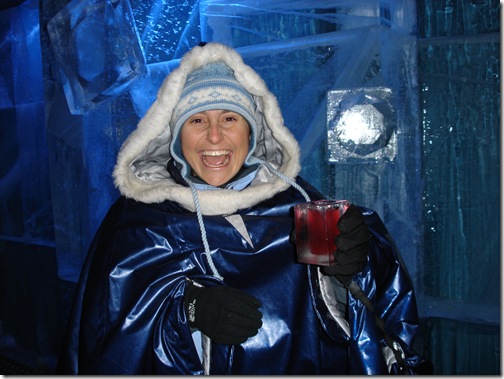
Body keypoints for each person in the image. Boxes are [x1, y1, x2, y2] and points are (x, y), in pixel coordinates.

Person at [56, 42, 429, 375]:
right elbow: (107, 333)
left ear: (251, 131)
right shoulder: (138, 221)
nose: (215, 137)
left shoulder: (297, 203)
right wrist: (188, 311)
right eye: (197, 120)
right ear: (175, 136)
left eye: (230, 119)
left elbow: (358, 314)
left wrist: (354, 267)